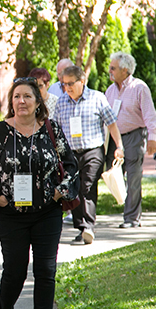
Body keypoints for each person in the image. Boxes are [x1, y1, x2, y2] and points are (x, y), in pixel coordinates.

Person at [0, 77, 79, 309]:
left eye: (27, 97)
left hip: (47, 211)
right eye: (16, 97)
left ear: (38, 103)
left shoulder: (51, 130)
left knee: (46, 270)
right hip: (11, 213)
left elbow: (71, 166)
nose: (21, 101)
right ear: (11, 102)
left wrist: (60, 192)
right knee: (15, 269)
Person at [52, 65, 124, 244]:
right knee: (73, 189)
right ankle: (81, 227)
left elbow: (112, 124)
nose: (67, 87)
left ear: (82, 81)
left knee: (88, 187)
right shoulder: (61, 102)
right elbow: (56, 131)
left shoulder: (97, 98)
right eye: (64, 84)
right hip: (70, 154)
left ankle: (88, 226)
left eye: (70, 83)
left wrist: (119, 146)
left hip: (93, 151)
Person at [104, 52, 156, 228]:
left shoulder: (139, 88)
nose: (109, 71)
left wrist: (152, 138)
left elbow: (150, 115)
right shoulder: (110, 90)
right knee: (113, 175)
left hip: (135, 136)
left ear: (125, 70)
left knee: (133, 178)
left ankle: (131, 218)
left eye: (113, 68)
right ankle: (125, 209)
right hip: (114, 139)